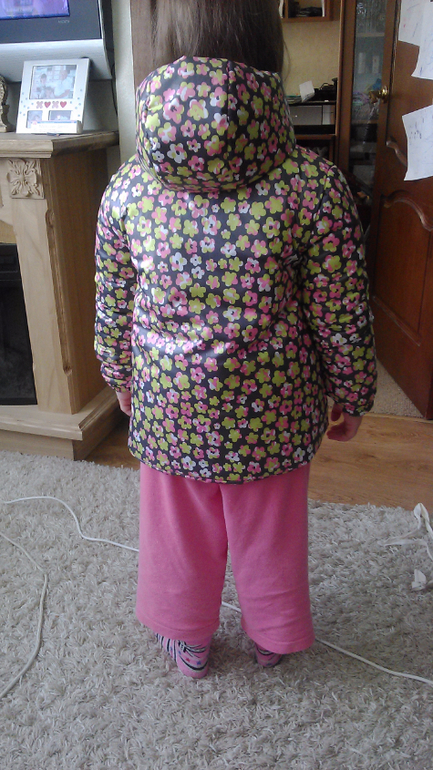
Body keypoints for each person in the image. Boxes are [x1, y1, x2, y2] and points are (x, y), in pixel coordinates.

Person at [94, 0, 377, 679]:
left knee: (177, 526)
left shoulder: (128, 188)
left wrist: (119, 374)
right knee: (269, 523)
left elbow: (113, 302)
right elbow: (341, 310)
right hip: (273, 408)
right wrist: (353, 390)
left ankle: (186, 635)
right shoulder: (314, 186)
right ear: (269, 55)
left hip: (171, 403)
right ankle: (273, 634)